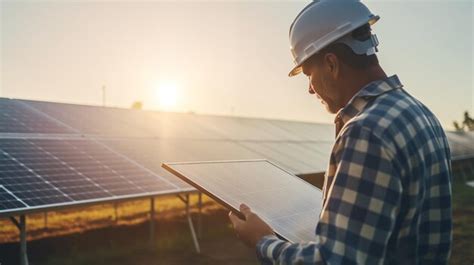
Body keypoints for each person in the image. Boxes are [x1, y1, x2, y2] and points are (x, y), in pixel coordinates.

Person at [228, 0, 453, 264]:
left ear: (331, 64)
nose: (310, 90)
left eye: (308, 75)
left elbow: (336, 261)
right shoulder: (421, 113)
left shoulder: (365, 132)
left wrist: (262, 241)